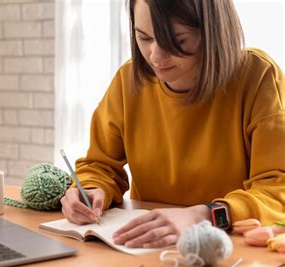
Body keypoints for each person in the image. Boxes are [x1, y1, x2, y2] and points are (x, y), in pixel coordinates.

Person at [60, 0, 285, 249]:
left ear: (212, 31)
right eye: (144, 38)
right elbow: (99, 165)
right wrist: (91, 189)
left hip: (231, 251)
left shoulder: (258, 78)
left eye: (176, 40)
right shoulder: (128, 81)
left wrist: (202, 216)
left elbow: (277, 191)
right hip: (145, 248)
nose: (155, 56)